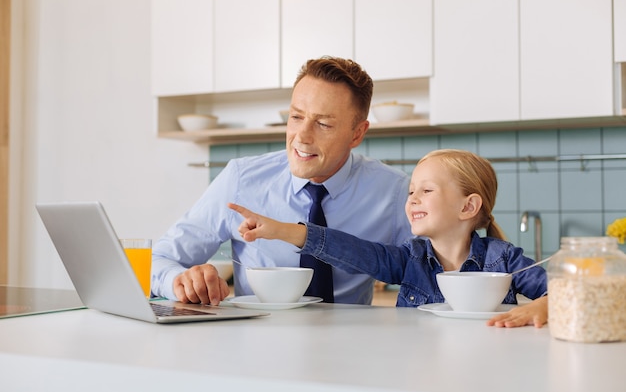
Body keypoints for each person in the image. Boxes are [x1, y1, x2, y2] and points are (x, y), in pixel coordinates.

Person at [151, 56, 413, 305]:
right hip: (258, 343)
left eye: (323, 123)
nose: (302, 136)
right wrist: (179, 281)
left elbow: (428, 270)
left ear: (357, 134)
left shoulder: (394, 192)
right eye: (296, 117)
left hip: (352, 344)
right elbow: (160, 259)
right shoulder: (241, 180)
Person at [229, 149, 549, 328]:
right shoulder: (408, 259)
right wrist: (278, 229)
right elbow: (351, 251)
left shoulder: (504, 260)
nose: (412, 199)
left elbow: (566, 291)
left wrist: (545, 307)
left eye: (426, 191)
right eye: (411, 191)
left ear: (468, 206)